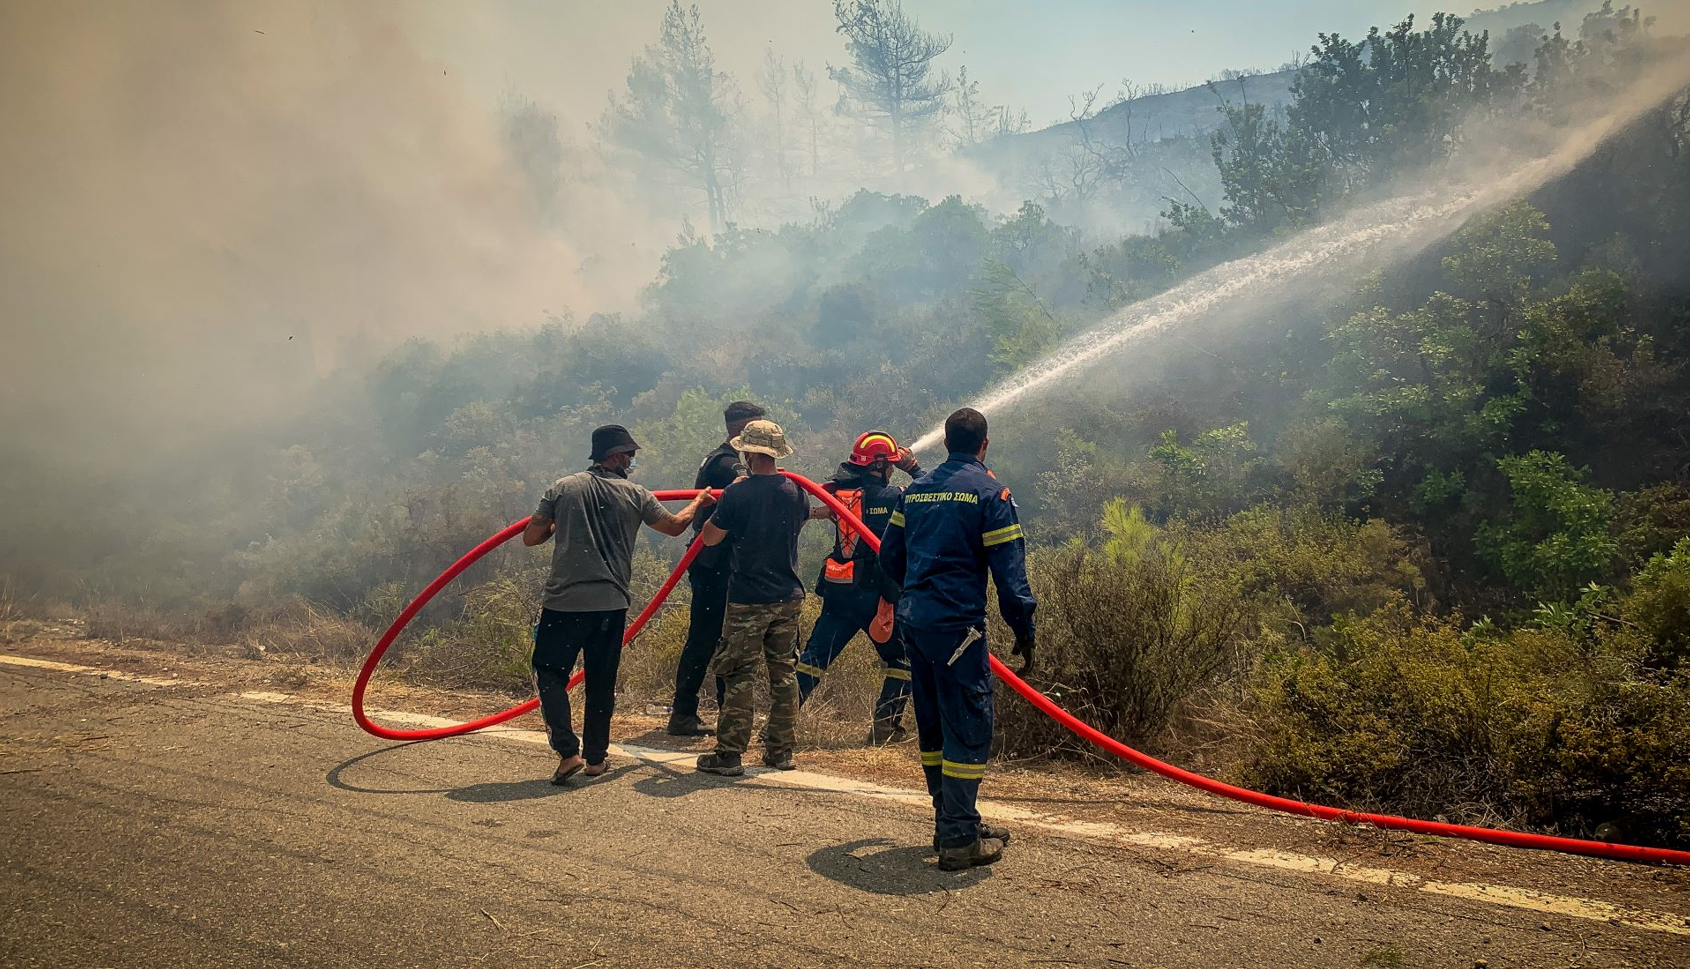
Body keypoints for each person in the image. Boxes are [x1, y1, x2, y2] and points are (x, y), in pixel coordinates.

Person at [878, 407, 1036, 871]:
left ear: (946, 444)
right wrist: (1023, 629)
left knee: (932, 724)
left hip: (916, 624)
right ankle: (959, 839)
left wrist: (916, 596)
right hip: (959, 630)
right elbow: (1010, 575)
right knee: (967, 725)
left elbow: (890, 558)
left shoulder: (916, 492)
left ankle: (950, 818)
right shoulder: (992, 493)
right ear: (984, 445)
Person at [523, 424, 715, 784]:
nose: (631, 460)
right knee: (600, 682)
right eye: (628, 454)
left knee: (549, 674)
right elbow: (675, 527)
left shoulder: (562, 488)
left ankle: (568, 753)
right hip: (610, 605)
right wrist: (699, 502)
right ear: (613, 456)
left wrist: (557, 525)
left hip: (563, 604)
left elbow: (531, 537)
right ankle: (596, 759)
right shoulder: (635, 494)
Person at [693, 419, 811, 776]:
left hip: (748, 598)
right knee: (784, 673)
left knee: (739, 673)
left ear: (747, 451)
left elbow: (710, 538)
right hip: (788, 596)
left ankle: (729, 754)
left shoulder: (738, 493)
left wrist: (716, 507)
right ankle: (780, 751)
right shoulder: (796, 491)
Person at [796, 430, 924, 744]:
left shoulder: (839, 495)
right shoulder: (896, 496)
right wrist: (914, 468)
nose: (893, 468)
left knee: (814, 659)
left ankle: (777, 724)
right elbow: (934, 496)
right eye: (891, 463)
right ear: (880, 466)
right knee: (903, 659)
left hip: (840, 592)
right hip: (877, 596)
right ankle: (885, 728)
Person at [666, 400, 765, 737]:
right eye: (755, 429)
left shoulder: (723, 459)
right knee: (710, 637)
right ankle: (686, 713)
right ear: (738, 429)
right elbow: (743, 488)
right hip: (715, 564)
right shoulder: (726, 464)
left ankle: (717, 712)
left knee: (720, 636)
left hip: (721, 563)